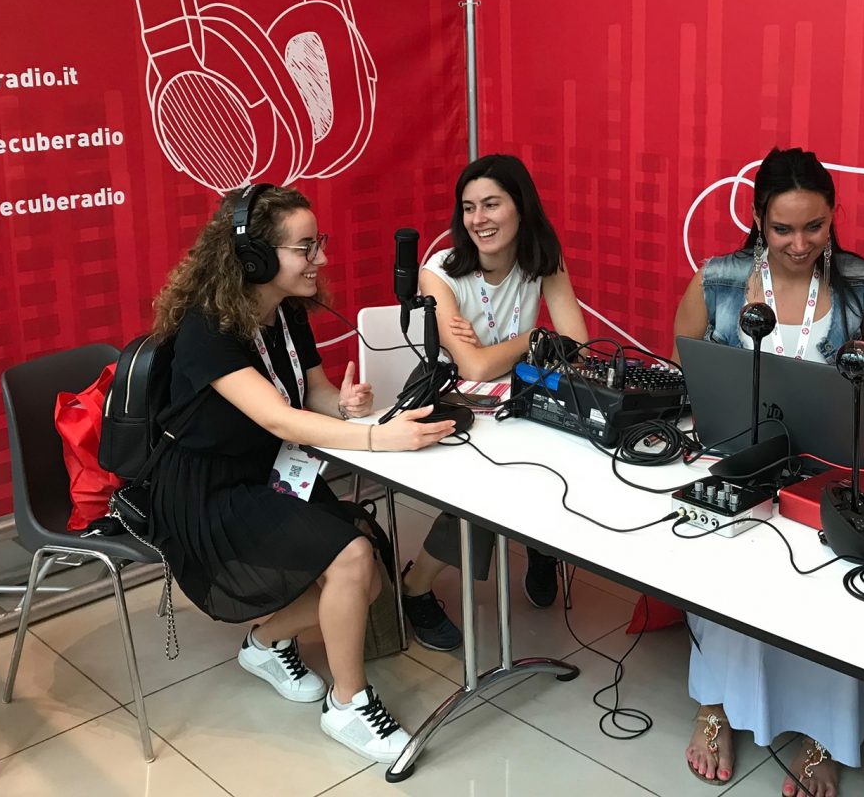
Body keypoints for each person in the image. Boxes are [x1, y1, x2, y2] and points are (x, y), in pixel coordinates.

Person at [148, 184, 455, 764]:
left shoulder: (286, 311)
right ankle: (349, 706)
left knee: (366, 568)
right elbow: (275, 416)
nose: (322, 259)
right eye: (305, 248)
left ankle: (264, 643)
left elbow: (311, 393)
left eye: (320, 243)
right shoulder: (206, 328)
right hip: (205, 491)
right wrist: (379, 437)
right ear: (253, 258)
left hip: (264, 470)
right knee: (352, 559)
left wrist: (345, 405)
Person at [674, 148, 864, 796]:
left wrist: (841, 403)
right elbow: (687, 372)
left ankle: (824, 735)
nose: (799, 243)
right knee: (724, 568)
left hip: (830, 466)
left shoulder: (862, 282)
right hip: (740, 459)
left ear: (833, 215)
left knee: (832, 591)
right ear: (758, 219)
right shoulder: (718, 279)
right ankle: (716, 705)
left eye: (814, 227)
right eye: (782, 229)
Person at [395, 154, 589, 650]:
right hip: (451, 397)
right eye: (468, 208)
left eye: (491, 205)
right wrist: (535, 339)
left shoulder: (543, 260)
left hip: (518, 391)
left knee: (571, 447)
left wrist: (523, 348)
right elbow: (474, 369)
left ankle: (541, 543)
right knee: (486, 488)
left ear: (521, 207)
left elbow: (579, 347)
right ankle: (415, 587)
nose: (478, 219)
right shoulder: (438, 273)